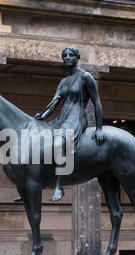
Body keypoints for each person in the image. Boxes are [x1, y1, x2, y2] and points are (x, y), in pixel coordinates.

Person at [35, 46, 105, 202]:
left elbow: (96, 102)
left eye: (71, 55)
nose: (67, 57)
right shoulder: (63, 82)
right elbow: (53, 104)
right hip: (63, 116)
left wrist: (99, 127)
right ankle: (36, 181)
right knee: (41, 140)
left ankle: (59, 187)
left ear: (77, 58)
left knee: (60, 142)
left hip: (78, 117)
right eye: (64, 55)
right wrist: (42, 116)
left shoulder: (85, 77)